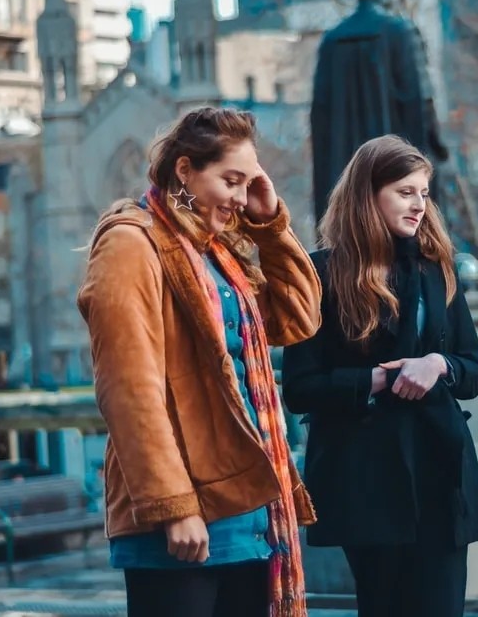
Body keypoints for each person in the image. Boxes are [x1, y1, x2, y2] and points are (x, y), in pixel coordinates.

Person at [77, 107, 322, 617]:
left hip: (248, 513)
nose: (240, 198)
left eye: (248, 183)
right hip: (180, 520)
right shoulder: (130, 244)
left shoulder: (219, 255)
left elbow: (298, 316)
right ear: (185, 171)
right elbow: (130, 390)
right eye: (231, 181)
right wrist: (174, 507)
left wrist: (270, 226)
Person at [282, 135, 478, 617]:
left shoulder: (437, 270)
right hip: (365, 478)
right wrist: (377, 379)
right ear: (368, 194)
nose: (419, 205)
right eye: (405, 192)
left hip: (440, 470)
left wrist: (437, 365)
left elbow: (472, 370)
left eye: (424, 193)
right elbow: (300, 388)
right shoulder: (321, 273)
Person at [309, 0, 449, 224]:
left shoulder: (332, 40)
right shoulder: (401, 32)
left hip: (344, 169)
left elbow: (320, 113)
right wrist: (437, 146)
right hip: (399, 169)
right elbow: (421, 99)